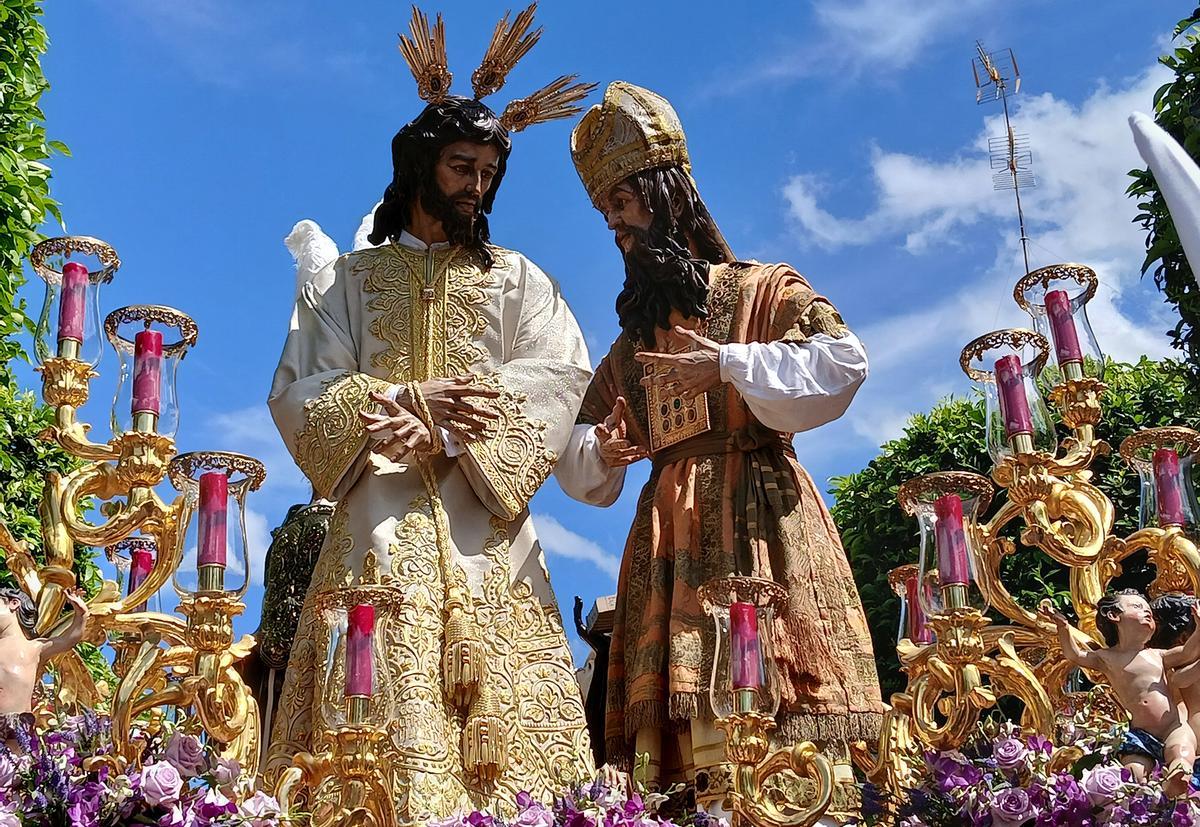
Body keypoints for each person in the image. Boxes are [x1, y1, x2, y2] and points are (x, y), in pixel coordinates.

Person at [263, 6, 597, 819]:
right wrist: (399, 402)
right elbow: (300, 387)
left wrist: (445, 430)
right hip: (373, 528)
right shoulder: (347, 281)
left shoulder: (521, 280)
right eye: (460, 166)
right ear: (420, 165)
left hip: (489, 534)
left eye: (488, 171)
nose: (476, 185)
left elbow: (557, 379)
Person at [557, 81, 884, 805]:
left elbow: (844, 363)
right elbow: (574, 441)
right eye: (605, 211)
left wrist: (732, 363)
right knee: (683, 761)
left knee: (782, 719)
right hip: (666, 544)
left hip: (761, 519)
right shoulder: (630, 348)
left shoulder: (763, 290)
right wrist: (601, 450)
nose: (615, 224)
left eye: (624, 202)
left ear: (667, 195)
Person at [1041, 591, 1200, 796]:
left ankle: (1178, 779)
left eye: (1149, 611)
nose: (1147, 613)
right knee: (1134, 772)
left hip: (1173, 727)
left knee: (1182, 752)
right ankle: (1150, 797)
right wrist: (1063, 628)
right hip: (1141, 733)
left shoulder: (1158, 655)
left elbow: (1188, 652)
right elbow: (1075, 655)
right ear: (1114, 615)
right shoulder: (1106, 658)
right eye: (1138, 607)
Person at [0, 587, 89, 716]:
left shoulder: (33, 647)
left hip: (14, 723)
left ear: (14, 603)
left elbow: (68, 640)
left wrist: (82, 615)